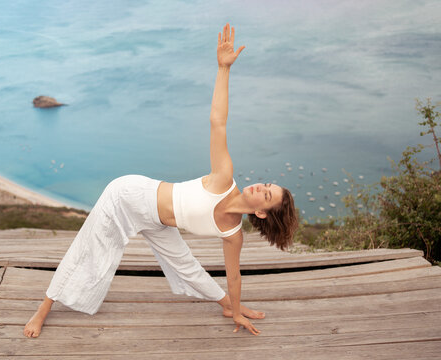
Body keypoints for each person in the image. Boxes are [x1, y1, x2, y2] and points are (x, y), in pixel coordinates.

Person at [23, 23, 298, 339]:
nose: (260, 187)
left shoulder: (234, 234)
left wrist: (236, 309)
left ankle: (224, 306)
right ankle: (42, 311)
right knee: (89, 251)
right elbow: (218, 122)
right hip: (127, 197)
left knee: (188, 267)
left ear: (262, 213)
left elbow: (233, 276)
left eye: (266, 196)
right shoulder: (224, 178)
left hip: (159, 223)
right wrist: (223, 69)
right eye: (267, 185)